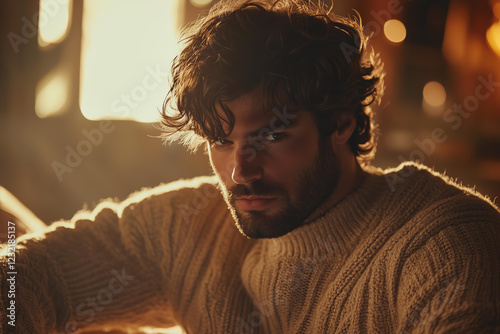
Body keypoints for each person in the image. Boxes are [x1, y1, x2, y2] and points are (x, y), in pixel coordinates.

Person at [2, 0, 500, 333]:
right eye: (221, 140)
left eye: (271, 136)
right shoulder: (191, 225)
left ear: (341, 124)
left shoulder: (445, 242)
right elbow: (31, 276)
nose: (241, 171)